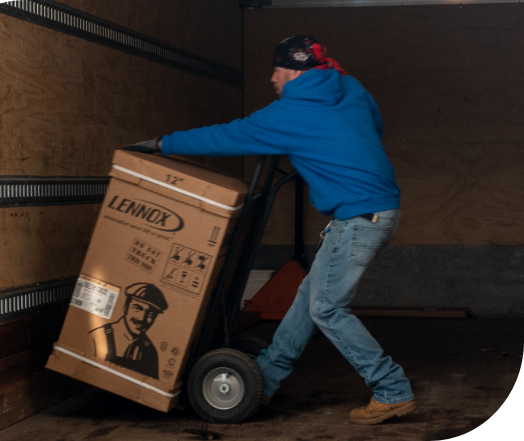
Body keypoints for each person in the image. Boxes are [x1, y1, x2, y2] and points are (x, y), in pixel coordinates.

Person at [126, 35, 416, 424]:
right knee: (307, 302)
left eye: (277, 70)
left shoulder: (288, 114)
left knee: (327, 308)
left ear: (294, 71)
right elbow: (373, 128)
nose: (272, 78)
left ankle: (392, 388)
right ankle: (264, 378)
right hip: (376, 209)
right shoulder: (349, 86)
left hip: (360, 217)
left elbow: (224, 136)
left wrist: (163, 144)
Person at [90, 283, 168, 379]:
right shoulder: (97, 337)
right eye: (138, 308)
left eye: (150, 314)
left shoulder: (150, 352)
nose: (142, 318)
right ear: (125, 307)